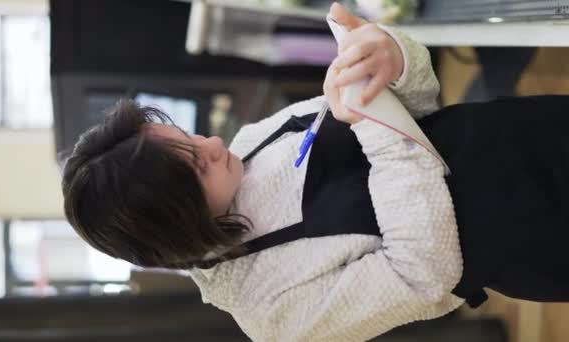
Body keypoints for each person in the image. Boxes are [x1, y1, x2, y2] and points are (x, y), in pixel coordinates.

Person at [61, 3, 569, 341]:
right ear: (179, 221)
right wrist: (376, 128)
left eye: (190, 138)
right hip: (538, 234)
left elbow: (417, 105)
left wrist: (392, 60)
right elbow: (426, 274)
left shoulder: (249, 142)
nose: (214, 143)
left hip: (524, 132)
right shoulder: (268, 309)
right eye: (196, 163)